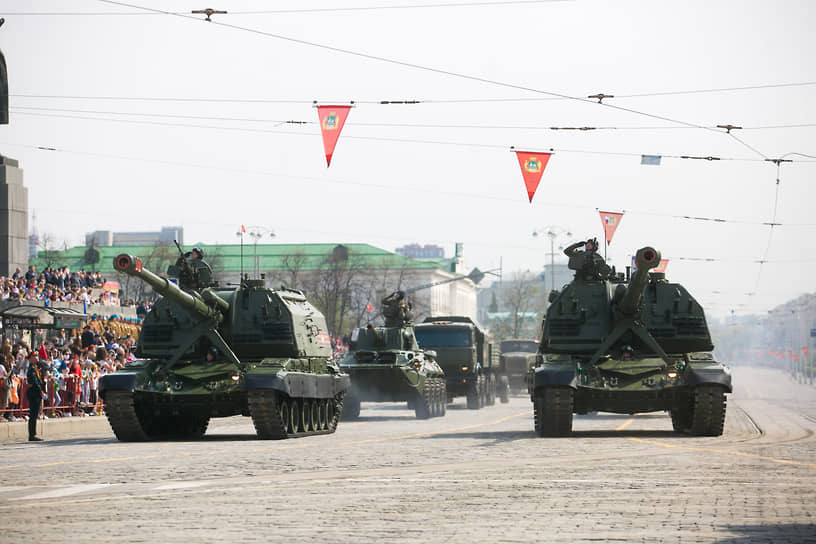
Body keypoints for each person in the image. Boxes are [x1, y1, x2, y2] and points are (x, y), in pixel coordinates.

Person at [25, 352, 46, 441]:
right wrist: (41, 392)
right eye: (34, 356)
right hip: (34, 393)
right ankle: (32, 435)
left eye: (37, 356)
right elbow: (35, 383)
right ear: (30, 358)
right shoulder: (31, 369)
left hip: (35, 392)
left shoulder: (36, 368)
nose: (37, 358)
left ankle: (33, 434)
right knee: (33, 414)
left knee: (35, 413)